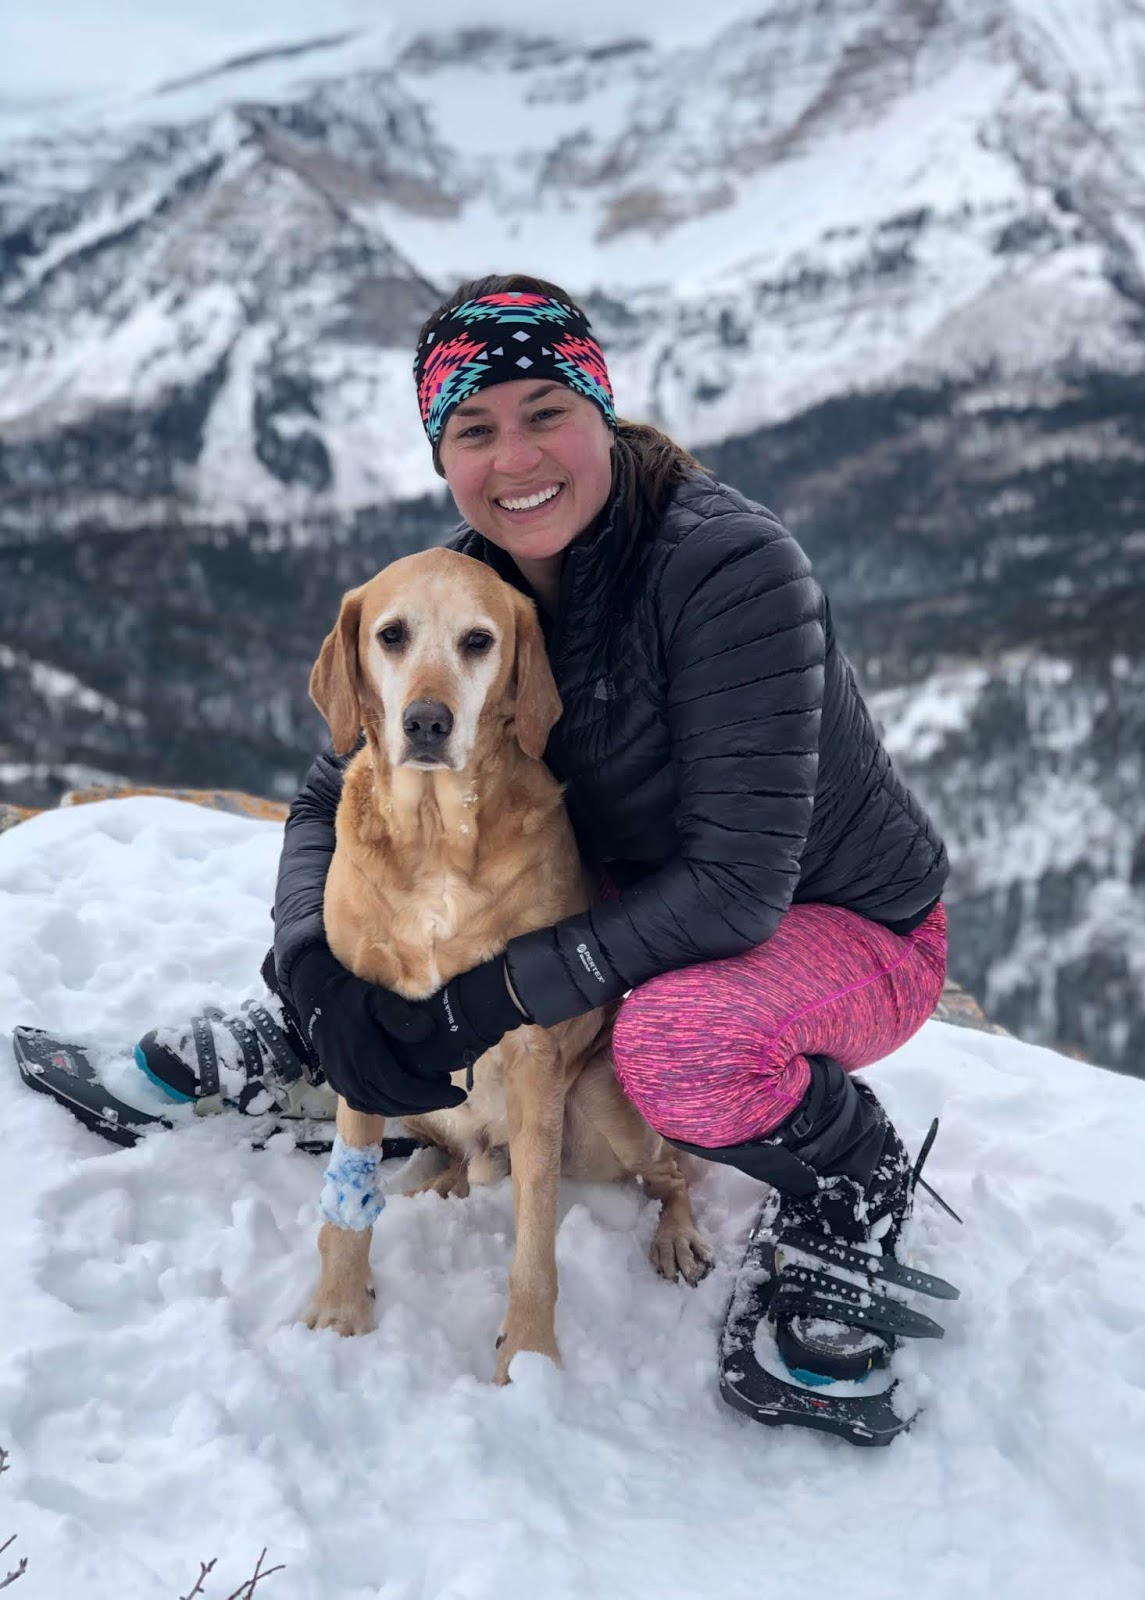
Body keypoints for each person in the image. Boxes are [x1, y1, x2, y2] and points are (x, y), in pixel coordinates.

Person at [135, 273, 950, 1408]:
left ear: (599, 411)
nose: (515, 457)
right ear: (442, 455)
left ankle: (846, 1181)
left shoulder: (729, 569)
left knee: (671, 1049)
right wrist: (315, 975)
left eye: (548, 413)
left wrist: (489, 1001)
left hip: (842, 924)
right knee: (413, 910)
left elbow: (736, 888)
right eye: (476, 428)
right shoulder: (469, 579)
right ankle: (319, 1044)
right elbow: (337, 788)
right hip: (636, 901)